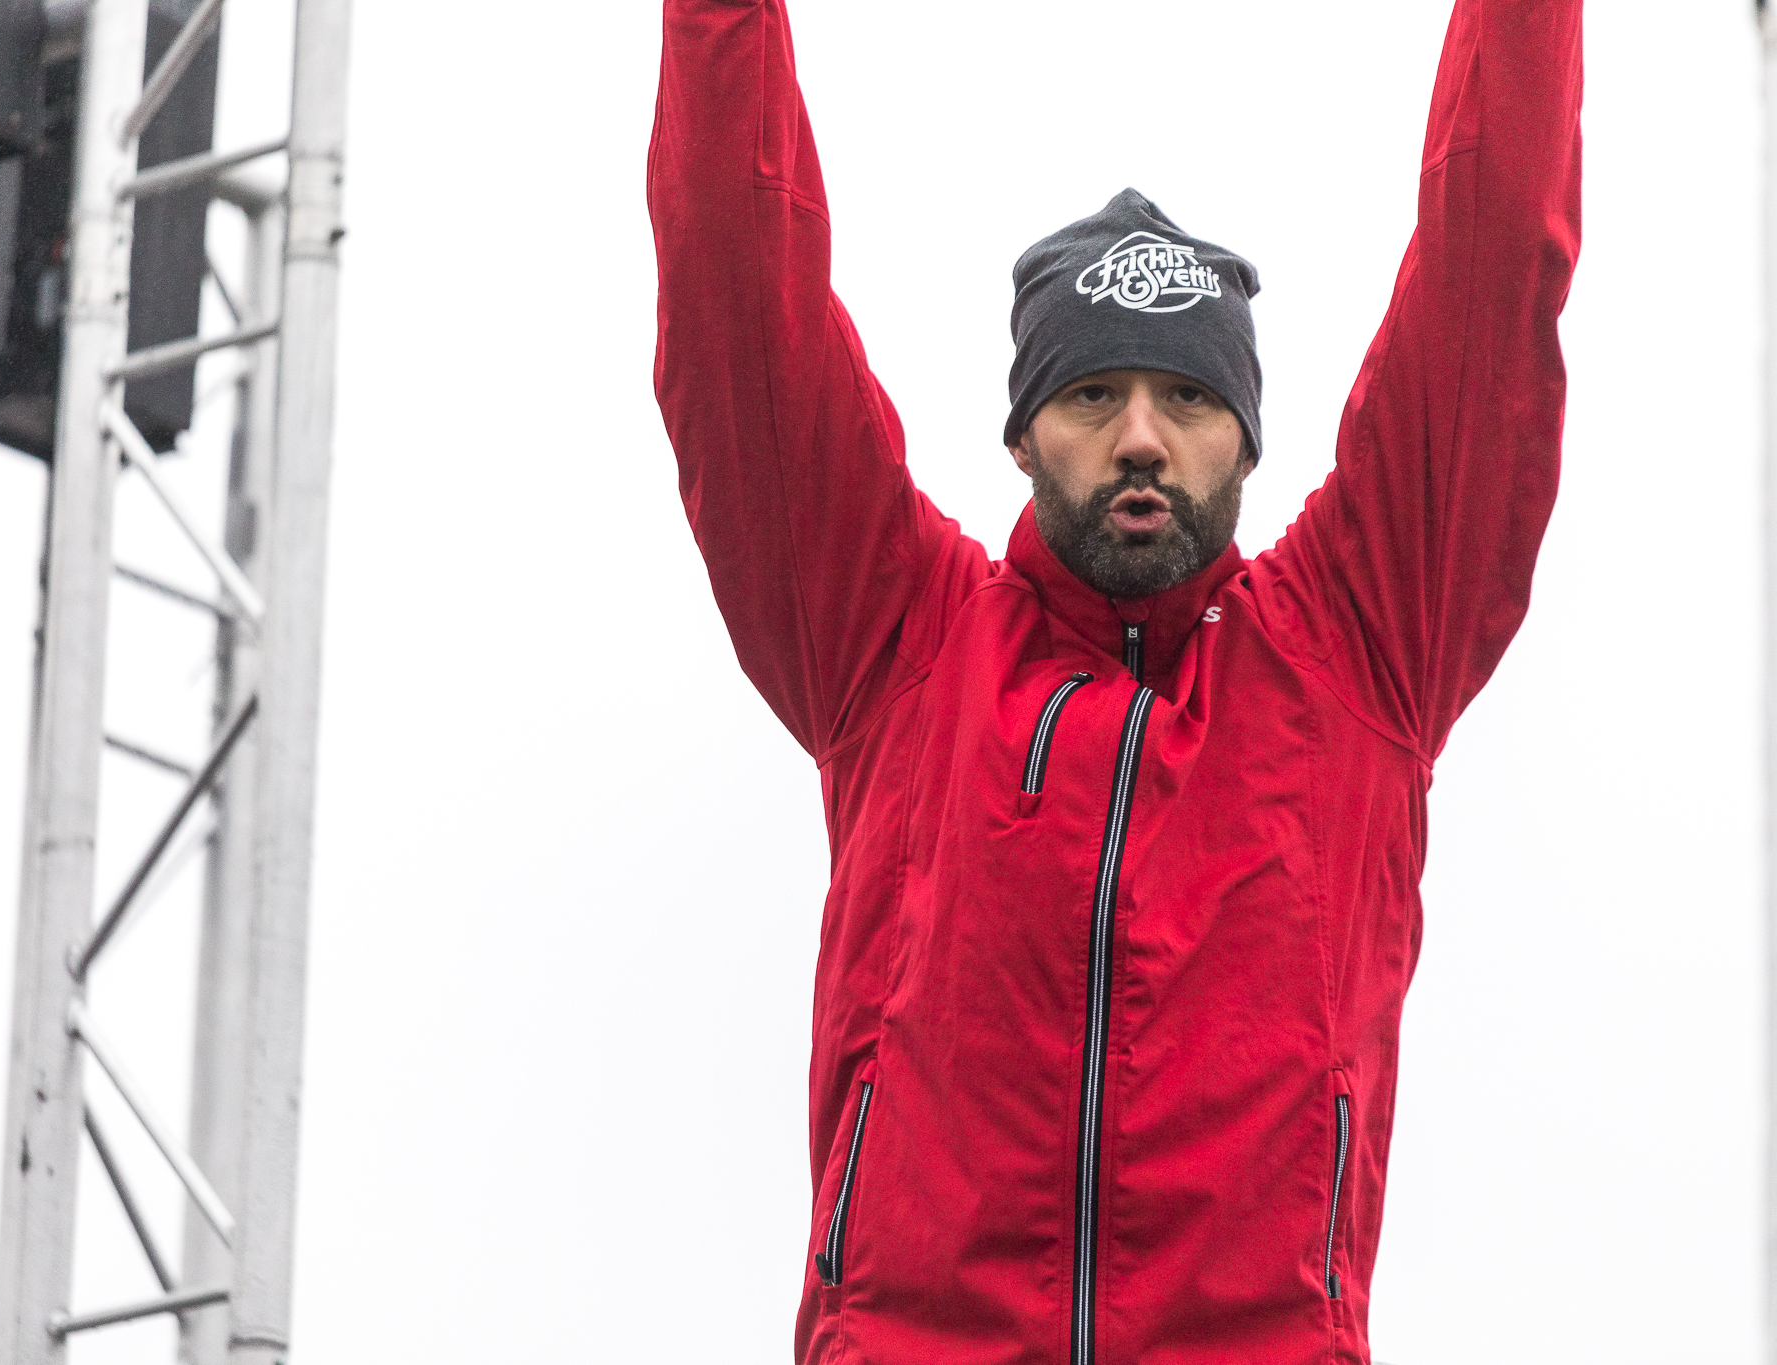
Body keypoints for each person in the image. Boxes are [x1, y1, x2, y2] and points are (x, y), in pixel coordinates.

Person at [646, 0, 1582, 1360]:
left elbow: (1493, 270)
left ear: (1246, 442)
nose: (1142, 436)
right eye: (1092, 396)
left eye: (1190, 399)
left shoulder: (1360, 647)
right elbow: (736, 297)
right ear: (1023, 436)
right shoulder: (895, 643)